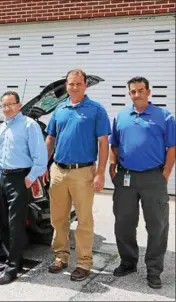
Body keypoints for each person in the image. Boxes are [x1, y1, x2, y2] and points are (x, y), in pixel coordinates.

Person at [43, 69, 111, 281]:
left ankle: (84, 262)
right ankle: (61, 256)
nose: (74, 87)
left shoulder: (96, 110)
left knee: (84, 220)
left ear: (85, 85)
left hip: (83, 172)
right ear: (66, 85)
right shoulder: (60, 109)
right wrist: (44, 165)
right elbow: (50, 139)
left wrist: (100, 173)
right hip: (58, 171)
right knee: (58, 218)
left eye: (78, 84)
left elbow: (103, 143)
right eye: (70, 84)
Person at [109, 76, 175, 289]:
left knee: (157, 225)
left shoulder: (164, 117)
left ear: (148, 92)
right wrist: (113, 166)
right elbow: (115, 145)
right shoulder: (121, 117)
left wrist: (165, 173)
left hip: (153, 177)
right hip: (126, 177)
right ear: (129, 94)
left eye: (140, 90)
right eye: (133, 91)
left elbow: (172, 147)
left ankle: (154, 270)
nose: (136, 94)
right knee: (123, 223)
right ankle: (128, 262)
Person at [0, 91, 47, 285]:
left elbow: (41, 157)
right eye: (3, 106)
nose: (7, 109)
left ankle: (13, 268)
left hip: (20, 178)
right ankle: (11, 259)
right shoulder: (2, 126)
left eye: (10, 105)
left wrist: (30, 178)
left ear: (19, 104)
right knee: (6, 222)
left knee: (16, 224)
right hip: (5, 178)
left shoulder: (29, 125)